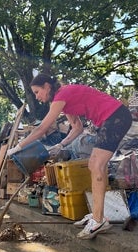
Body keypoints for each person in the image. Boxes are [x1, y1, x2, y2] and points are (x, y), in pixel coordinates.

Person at [7, 73, 132, 240]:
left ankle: (98, 220)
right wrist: (61, 145)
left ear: (47, 86)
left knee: (97, 165)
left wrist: (18, 146)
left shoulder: (62, 95)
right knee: (93, 165)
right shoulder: (63, 102)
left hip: (116, 117)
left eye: (37, 92)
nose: (37, 97)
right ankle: (97, 215)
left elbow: (42, 128)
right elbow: (77, 127)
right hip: (109, 120)